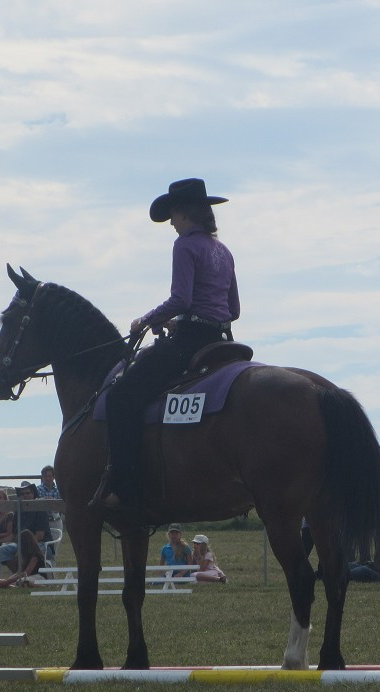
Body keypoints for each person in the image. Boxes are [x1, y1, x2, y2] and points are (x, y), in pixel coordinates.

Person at [90, 178, 240, 515]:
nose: (171, 222)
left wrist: (145, 320)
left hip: (189, 342)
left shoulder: (185, 246)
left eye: (172, 215)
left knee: (121, 396)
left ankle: (126, 490)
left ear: (184, 213)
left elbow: (181, 298)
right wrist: (180, 319)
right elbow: (234, 310)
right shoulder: (224, 251)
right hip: (221, 340)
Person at [0, 483, 52, 586]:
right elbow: (14, 534)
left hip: (40, 544)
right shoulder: (18, 510)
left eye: (28, 493)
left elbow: (39, 535)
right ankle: (19, 576)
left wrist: (21, 549)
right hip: (20, 543)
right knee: (3, 550)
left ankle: (21, 578)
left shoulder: (40, 508)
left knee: (28, 552)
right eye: (22, 494)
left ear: (33, 493)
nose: (25, 495)